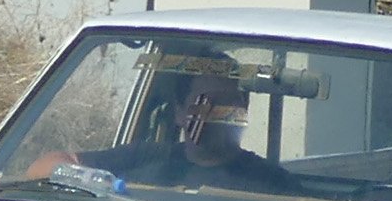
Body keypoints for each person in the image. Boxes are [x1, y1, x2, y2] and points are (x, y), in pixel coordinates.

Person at [23, 70, 297, 193]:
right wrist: (93, 182)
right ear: (179, 112)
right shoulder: (144, 157)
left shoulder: (271, 183)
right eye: (205, 104)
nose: (218, 114)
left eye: (229, 105)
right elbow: (41, 169)